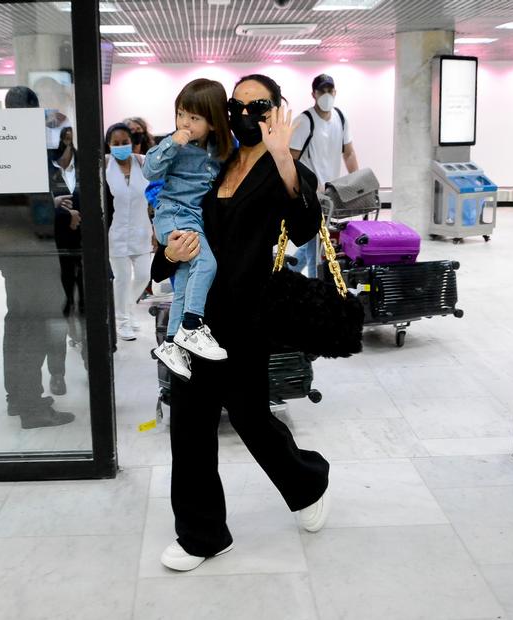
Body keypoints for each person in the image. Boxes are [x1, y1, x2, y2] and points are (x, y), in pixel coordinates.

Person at [150, 74, 330, 572]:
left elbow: (303, 228)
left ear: (277, 108)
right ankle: (202, 535)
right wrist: (166, 253)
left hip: (246, 318)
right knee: (188, 425)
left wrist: (283, 158)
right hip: (195, 320)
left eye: (260, 105)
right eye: (238, 105)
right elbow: (174, 216)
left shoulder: (283, 166)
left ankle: (306, 481)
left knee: (251, 419)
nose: (248, 114)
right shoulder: (214, 160)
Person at [0, 86, 74, 429]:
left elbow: (4, 203)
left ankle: (17, 397)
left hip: (14, 251)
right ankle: (31, 407)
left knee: (18, 324)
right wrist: (58, 207)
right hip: (31, 252)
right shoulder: (20, 147)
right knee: (33, 326)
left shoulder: (1, 144)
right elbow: (29, 207)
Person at [143, 78, 233, 374]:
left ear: (214, 122)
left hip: (193, 216)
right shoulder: (175, 144)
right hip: (175, 214)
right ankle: (192, 325)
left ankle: (170, 343)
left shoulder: (222, 148)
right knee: (206, 264)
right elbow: (149, 169)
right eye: (181, 114)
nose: (185, 122)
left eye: (194, 118)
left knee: (184, 279)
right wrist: (171, 142)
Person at [288, 73, 359, 277]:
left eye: (330, 90)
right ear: (314, 94)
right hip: (310, 194)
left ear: (335, 92)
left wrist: (356, 183)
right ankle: (314, 282)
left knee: (317, 239)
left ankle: (287, 272)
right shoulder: (304, 121)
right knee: (317, 241)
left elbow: (349, 152)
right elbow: (290, 159)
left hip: (330, 193)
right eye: (322, 91)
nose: (326, 95)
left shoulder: (341, 118)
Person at [104, 122, 153, 341]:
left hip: (142, 230)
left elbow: (153, 197)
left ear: (132, 143)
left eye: (125, 142)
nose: (121, 146)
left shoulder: (142, 163)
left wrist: (155, 230)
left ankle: (128, 309)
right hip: (116, 232)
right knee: (122, 278)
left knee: (143, 275)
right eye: (116, 143)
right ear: (109, 144)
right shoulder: (104, 165)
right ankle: (122, 321)